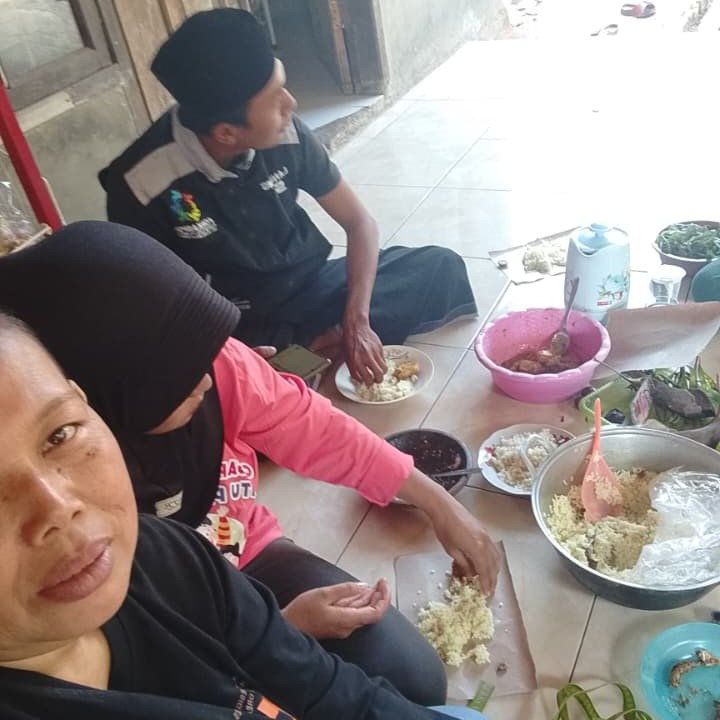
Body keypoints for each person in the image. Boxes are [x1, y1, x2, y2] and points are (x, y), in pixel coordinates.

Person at [0, 220, 499, 707]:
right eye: (177, 371)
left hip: (242, 557)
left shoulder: (215, 369)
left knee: (413, 677)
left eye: (208, 352)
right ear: (103, 395)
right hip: (185, 611)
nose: (208, 377)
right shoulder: (85, 532)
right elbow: (160, 652)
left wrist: (438, 503)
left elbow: (318, 429)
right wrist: (284, 627)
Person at [99, 8, 478, 385]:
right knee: (199, 378)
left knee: (438, 266)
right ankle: (291, 362)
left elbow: (358, 221)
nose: (291, 103)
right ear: (227, 133)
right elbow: (156, 307)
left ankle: (309, 354)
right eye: (274, 99)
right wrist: (229, 353)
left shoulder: (287, 131)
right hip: (232, 321)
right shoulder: (141, 183)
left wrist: (356, 321)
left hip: (309, 288)